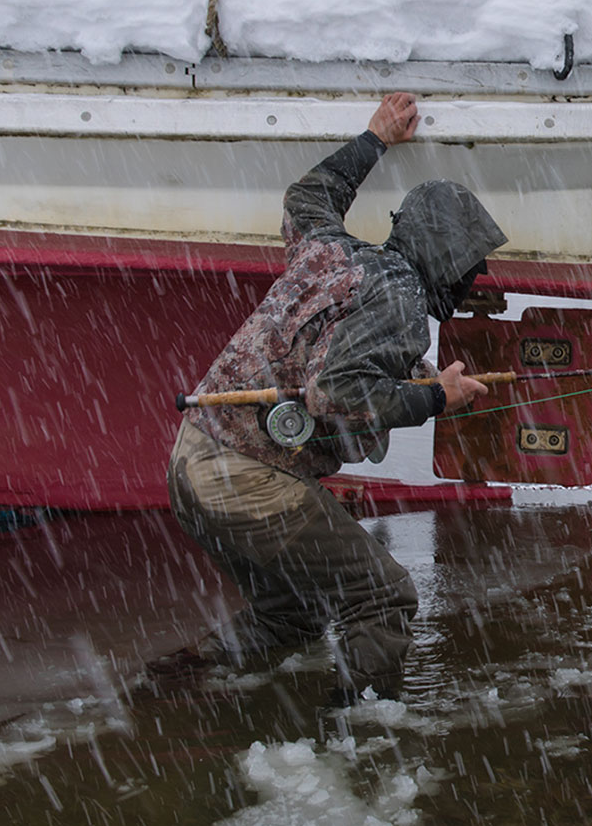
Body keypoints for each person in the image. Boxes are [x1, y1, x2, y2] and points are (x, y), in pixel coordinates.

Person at [166, 92, 505, 702]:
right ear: (443, 256)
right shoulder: (402, 299)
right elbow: (337, 393)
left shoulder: (331, 251)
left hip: (192, 462)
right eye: (469, 264)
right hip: (247, 479)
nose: (474, 277)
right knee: (384, 595)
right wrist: (437, 400)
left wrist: (373, 139)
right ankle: (362, 735)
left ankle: (175, 691)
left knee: (290, 614)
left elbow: (307, 199)